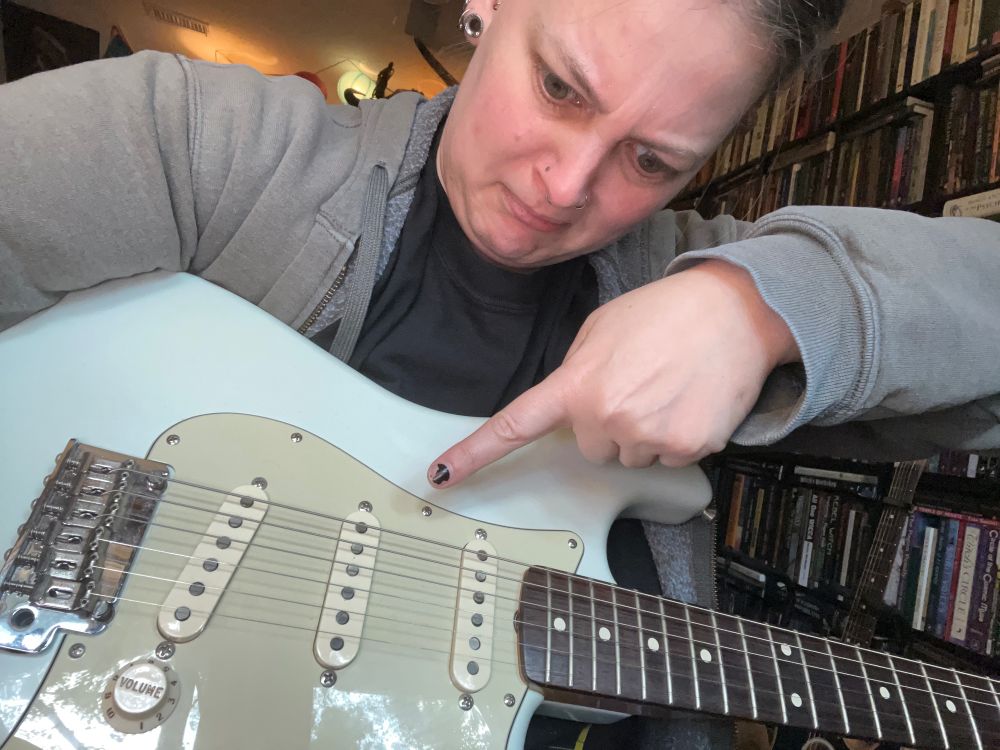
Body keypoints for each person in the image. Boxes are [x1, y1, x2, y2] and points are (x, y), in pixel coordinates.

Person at [2, 0, 999, 747]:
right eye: (560, 87)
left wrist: (764, 308)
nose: (563, 186)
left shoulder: (677, 272)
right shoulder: (211, 149)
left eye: (651, 161)